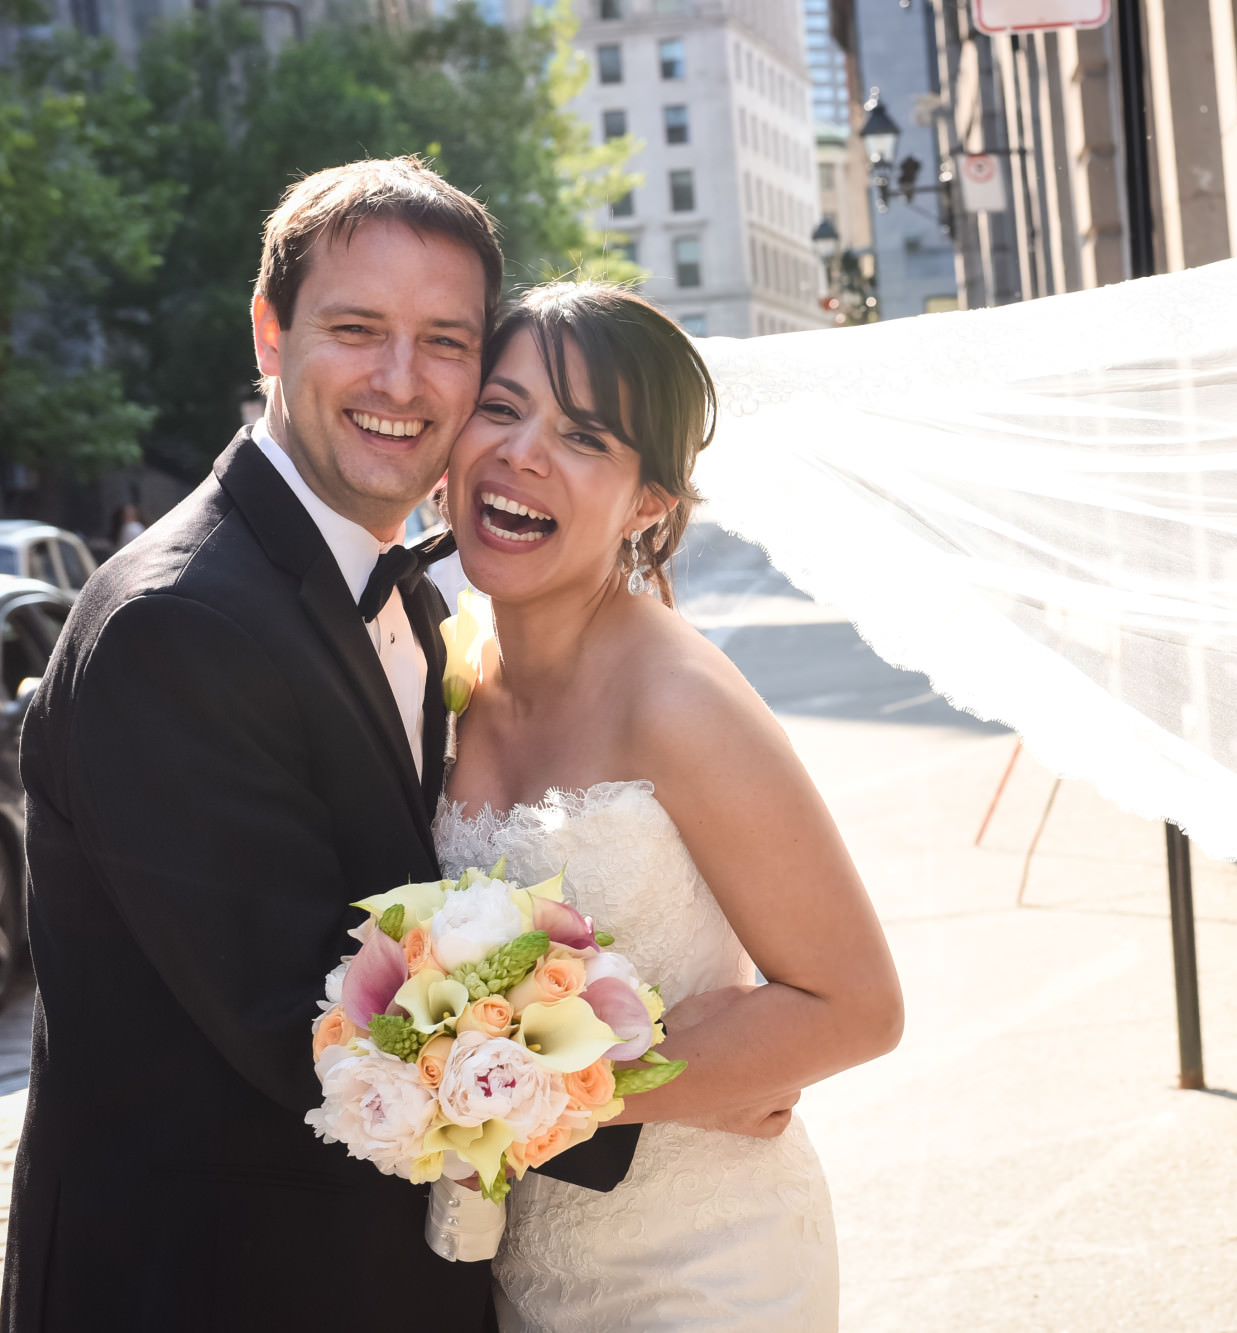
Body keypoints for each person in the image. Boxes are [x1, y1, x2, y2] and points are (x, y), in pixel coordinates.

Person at [1, 158, 635, 1332]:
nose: (402, 380)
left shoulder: (413, 596)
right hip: (212, 1283)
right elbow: (314, 1022)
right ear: (269, 333)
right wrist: (659, 1084)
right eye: (356, 328)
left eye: (446, 341)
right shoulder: (177, 624)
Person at [436, 282, 903, 1330]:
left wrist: (548, 1087)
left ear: (650, 503)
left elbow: (858, 1006)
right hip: (523, 1269)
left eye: (583, 436)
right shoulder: (449, 668)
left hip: (703, 1266)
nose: (522, 453)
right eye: (501, 408)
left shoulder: (680, 704)